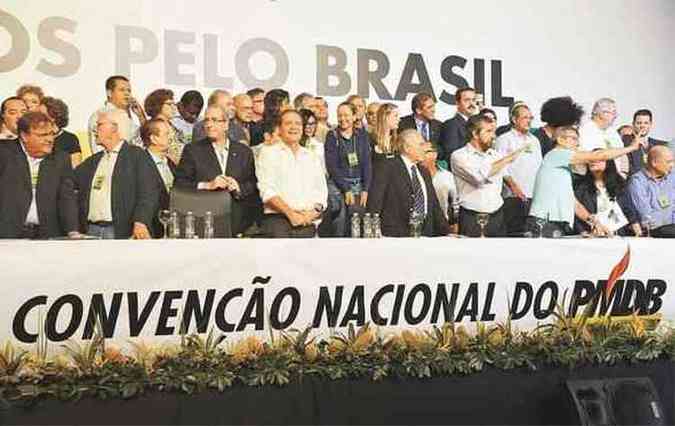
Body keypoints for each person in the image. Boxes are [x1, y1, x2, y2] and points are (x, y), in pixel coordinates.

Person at [529, 123, 641, 237]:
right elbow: (598, 155)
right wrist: (631, 147)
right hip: (544, 222)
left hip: (557, 224)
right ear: (560, 140)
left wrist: (595, 222)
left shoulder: (563, 168)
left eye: (577, 139)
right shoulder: (555, 155)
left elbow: (575, 204)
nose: (577, 143)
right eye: (573, 139)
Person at [175, 105, 259, 236]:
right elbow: (180, 184)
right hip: (204, 220)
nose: (209, 124)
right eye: (206, 120)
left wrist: (238, 187)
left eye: (214, 120)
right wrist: (208, 185)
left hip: (238, 223)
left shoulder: (244, 152)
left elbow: (253, 184)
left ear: (226, 124)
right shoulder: (192, 151)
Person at [75, 110, 158, 239]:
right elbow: (69, 182)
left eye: (99, 125)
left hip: (120, 232)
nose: (94, 129)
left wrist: (141, 221)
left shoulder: (136, 156)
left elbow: (148, 193)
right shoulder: (93, 161)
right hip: (91, 232)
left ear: (115, 128)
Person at [0, 112, 79, 239]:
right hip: (7, 234)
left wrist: (72, 230)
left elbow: (66, 198)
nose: (50, 139)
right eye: (42, 135)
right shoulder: (4, 154)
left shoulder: (60, 158)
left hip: (47, 234)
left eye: (51, 134)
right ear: (24, 136)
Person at [256, 109, 327, 238]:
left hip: (308, 220)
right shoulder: (269, 153)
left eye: (298, 124)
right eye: (288, 123)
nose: (294, 127)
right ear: (279, 128)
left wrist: (311, 214)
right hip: (278, 221)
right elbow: (267, 191)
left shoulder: (311, 156)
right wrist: (291, 215)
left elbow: (321, 193)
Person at [451, 114, 524, 237]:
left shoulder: (495, 155)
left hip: (497, 216)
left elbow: (505, 174)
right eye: (489, 131)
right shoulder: (459, 156)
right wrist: (507, 159)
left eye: (494, 131)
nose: (494, 136)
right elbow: (478, 178)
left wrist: (514, 186)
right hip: (471, 217)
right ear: (475, 134)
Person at [367, 129, 450, 237]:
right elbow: (375, 201)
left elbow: (434, 206)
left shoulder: (423, 172)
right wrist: (373, 232)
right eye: (421, 144)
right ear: (407, 148)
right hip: (395, 236)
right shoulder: (388, 166)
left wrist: (447, 233)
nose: (424, 149)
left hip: (424, 234)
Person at [494, 104, 543, 235]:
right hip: (513, 196)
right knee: (515, 235)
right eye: (525, 117)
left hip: (533, 196)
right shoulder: (504, 139)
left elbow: (539, 166)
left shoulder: (535, 140)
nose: (529, 120)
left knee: (532, 234)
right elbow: (500, 166)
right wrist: (513, 186)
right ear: (514, 120)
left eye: (530, 118)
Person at [325, 102, 372, 236]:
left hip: (358, 183)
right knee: (340, 218)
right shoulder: (332, 136)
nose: (342, 119)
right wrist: (346, 189)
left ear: (354, 116)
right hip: (338, 184)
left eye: (346, 115)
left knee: (357, 220)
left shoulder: (362, 136)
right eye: (339, 115)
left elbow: (367, 164)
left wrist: (365, 189)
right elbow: (332, 166)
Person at [574, 152, 639, 236]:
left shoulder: (619, 182)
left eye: (599, 159)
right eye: (591, 159)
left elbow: (628, 208)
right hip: (593, 234)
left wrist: (637, 228)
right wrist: (583, 232)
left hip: (618, 232)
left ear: (608, 163)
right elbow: (576, 212)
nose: (593, 162)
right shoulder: (580, 185)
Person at [87, 75, 147, 154]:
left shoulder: (127, 117)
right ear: (109, 93)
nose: (127, 94)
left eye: (129, 91)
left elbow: (143, 142)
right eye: (122, 90)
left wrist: (141, 116)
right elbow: (99, 149)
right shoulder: (100, 116)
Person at [627, 145, 675, 238]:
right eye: (668, 162)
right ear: (654, 162)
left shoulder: (672, 177)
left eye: (673, 161)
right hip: (654, 232)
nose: (672, 165)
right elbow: (646, 215)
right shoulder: (637, 181)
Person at [140, 119, 176, 238]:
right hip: (149, 231)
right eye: (166, 134)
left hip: (170, 230)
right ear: (153, 139)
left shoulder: (171, 163)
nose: (171, 137)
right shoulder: (140, 164)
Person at [575, 98, 628, 177]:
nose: (615, 116)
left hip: (616, 181)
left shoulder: (612, 132)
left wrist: (624, 174)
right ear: (601, 113)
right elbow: (590, 157)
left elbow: (623, 155)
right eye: (613, 113)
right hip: (593, 180)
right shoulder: (585, 131)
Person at [419, 142, 459, 232]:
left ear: (434, 154)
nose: (419, 156)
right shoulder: (414, 175)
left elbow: (456, 203)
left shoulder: (447, 176)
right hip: (419, 224)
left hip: (442, 225)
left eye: (423, 152)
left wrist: (456, 223)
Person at [142, 89, 187, 164]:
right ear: (157, 105)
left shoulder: (177, 129)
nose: (174, 107)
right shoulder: (148, 128)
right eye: (169, 104)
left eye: (174, 104)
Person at [39, 96, 83, 167]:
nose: (36, 117)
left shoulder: (70, 139)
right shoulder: (37, 137)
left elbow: (76, 168)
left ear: (53, 117)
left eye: (41, 114)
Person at [623, 109, 668, 176]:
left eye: (646, 123)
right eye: (639, 123)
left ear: (650, 124)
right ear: (633, 124)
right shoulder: (626, 141)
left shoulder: (660, 145)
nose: (642, 126)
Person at [440, 87, 478, 165]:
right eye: (467, 100)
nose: (471, 104)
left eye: (473, 100)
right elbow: (451, 155)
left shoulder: (478, 124)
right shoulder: (451, 125)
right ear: (457, 103)